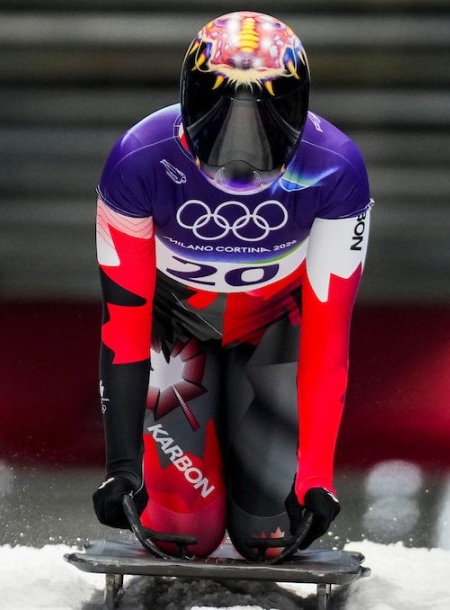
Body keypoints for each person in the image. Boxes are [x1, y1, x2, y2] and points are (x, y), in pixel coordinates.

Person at [92, 11, 371, 561]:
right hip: (175, 334)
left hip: (275, 334)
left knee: (269, 538)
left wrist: (316, 476)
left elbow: (327, 331)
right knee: (179, 533)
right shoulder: (136, 160)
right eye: (222, 116)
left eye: (264, 118)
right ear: (189, 104)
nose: (240, 146)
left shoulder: (337, 171)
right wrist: (122, 468)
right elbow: (124, 323)